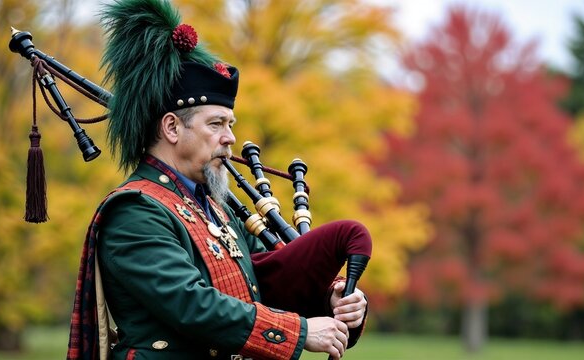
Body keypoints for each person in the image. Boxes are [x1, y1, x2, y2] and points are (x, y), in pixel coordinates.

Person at [66, 0, 370, 359]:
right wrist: (300, 332)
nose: (229, 138)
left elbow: (268, 279)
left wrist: (329, 298)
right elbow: (192, 305)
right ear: (172, 127)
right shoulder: (134, 211)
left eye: (230, 125)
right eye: (216, 124)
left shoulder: (216, 207)